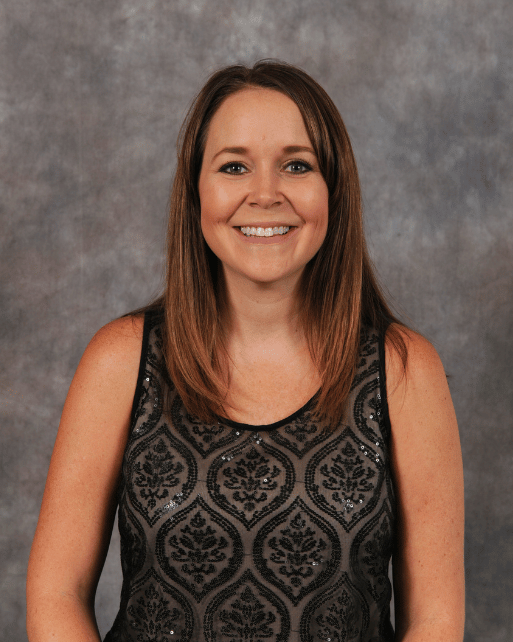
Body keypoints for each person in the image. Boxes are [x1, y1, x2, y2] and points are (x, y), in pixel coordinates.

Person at [26, 60, 465, 642]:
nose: (265, 194)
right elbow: (56, 596)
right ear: (196, 191)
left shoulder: (404, 369)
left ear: (333, 190)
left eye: (296, 165)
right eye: (234, 166)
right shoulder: (121, 359)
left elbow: (434, 620)